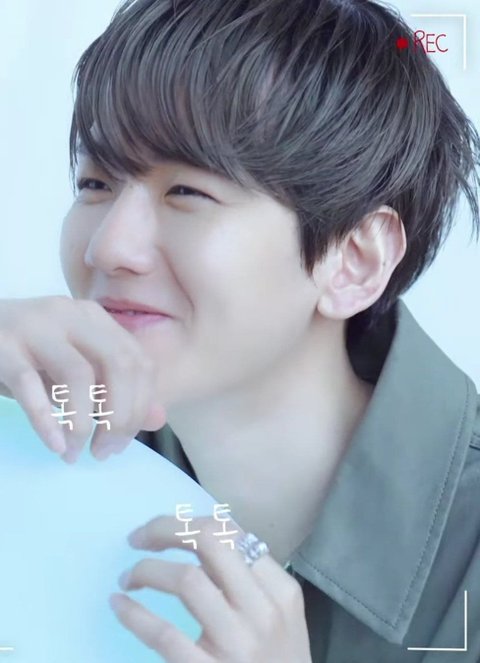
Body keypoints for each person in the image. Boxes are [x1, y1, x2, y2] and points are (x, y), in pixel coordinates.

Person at [1, 0, 480, 660]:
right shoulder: (49, 434)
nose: (108, 247)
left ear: (355, 260)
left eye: (188, 192)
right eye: (95, 182)